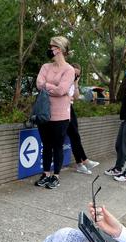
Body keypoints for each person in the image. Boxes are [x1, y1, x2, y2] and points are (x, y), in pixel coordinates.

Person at [34, 36, 76, 189]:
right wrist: (53, 88)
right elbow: (39, 84)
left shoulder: (69, 70)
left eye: (51, 46)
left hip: (61, 116)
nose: (49, 49)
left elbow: (62, 90)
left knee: (58, 146)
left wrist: (48, 87)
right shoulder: (46, 66)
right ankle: (45, 173)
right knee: (46, 145)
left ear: (59, 49)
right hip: (44, 113)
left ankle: (55, 176)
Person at [68, 63, 99, 175]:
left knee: (75, 136)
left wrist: (75, 82)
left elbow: (75, 97)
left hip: (70, 108)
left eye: (77, 75)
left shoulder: (73, 83)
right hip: (63, 109)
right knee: (74, 136)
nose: (75, 76)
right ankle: (83, 161)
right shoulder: (63, 79)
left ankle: (81, 163)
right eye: (74, 73)